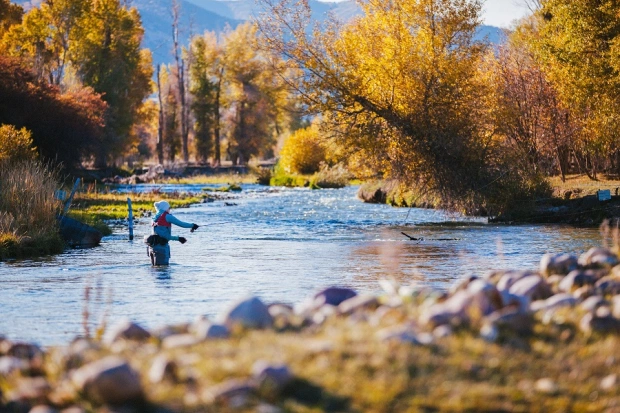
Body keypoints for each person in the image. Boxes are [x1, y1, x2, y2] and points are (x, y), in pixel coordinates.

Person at [145, 200, 199, 266]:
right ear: (165, 208)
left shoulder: (154, 218)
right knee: (163, 272)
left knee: (155, 270)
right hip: (161, 248)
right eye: (169, 208)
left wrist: (178, 238)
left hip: (151, 248)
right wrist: (193, 225)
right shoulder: (167, 216)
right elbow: (181, 224)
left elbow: (161, 236)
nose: (170, 210)